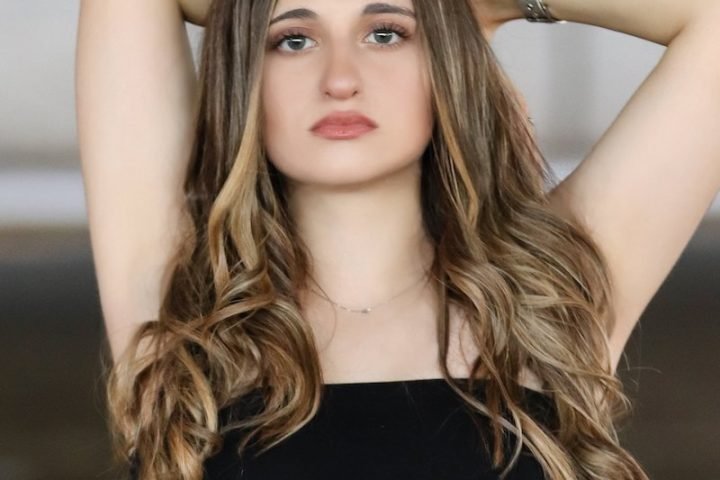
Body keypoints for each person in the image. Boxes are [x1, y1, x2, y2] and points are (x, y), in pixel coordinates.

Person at [75, 0, 720, 479]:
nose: (340, 79)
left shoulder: (548, 296)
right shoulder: (183, 309)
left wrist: (479, 4)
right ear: (245, 72)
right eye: (293, 39)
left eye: (385, 33)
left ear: (446, 58)